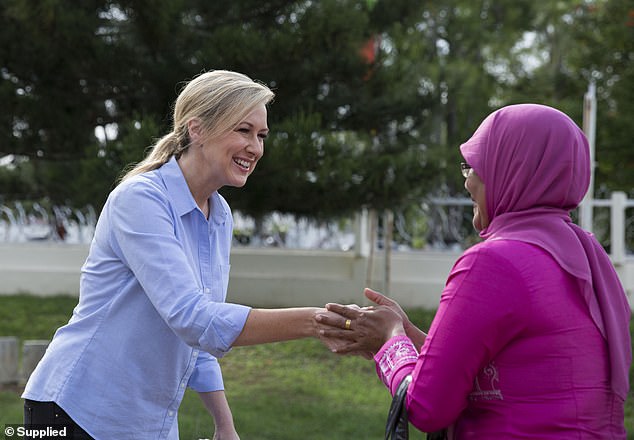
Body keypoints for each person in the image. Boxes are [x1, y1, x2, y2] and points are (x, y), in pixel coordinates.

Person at [22, 70, 332, 440]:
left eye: (261, 135)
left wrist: (224, 424)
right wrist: (316, 321)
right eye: (243, 131)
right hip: (74, 412)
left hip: (146, 424)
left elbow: (199, 330)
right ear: (197, 130)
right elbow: (194, 318)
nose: (255, 147)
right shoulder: (140, 199)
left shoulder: (218, 215)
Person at [317, 104, 632, 438]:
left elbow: (426, 407)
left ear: (512, 169)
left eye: (475, 166)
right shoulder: (584, 257)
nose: (468, 180)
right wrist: (409, 334)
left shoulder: (496, 261)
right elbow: (510, 375)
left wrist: (389, 340)